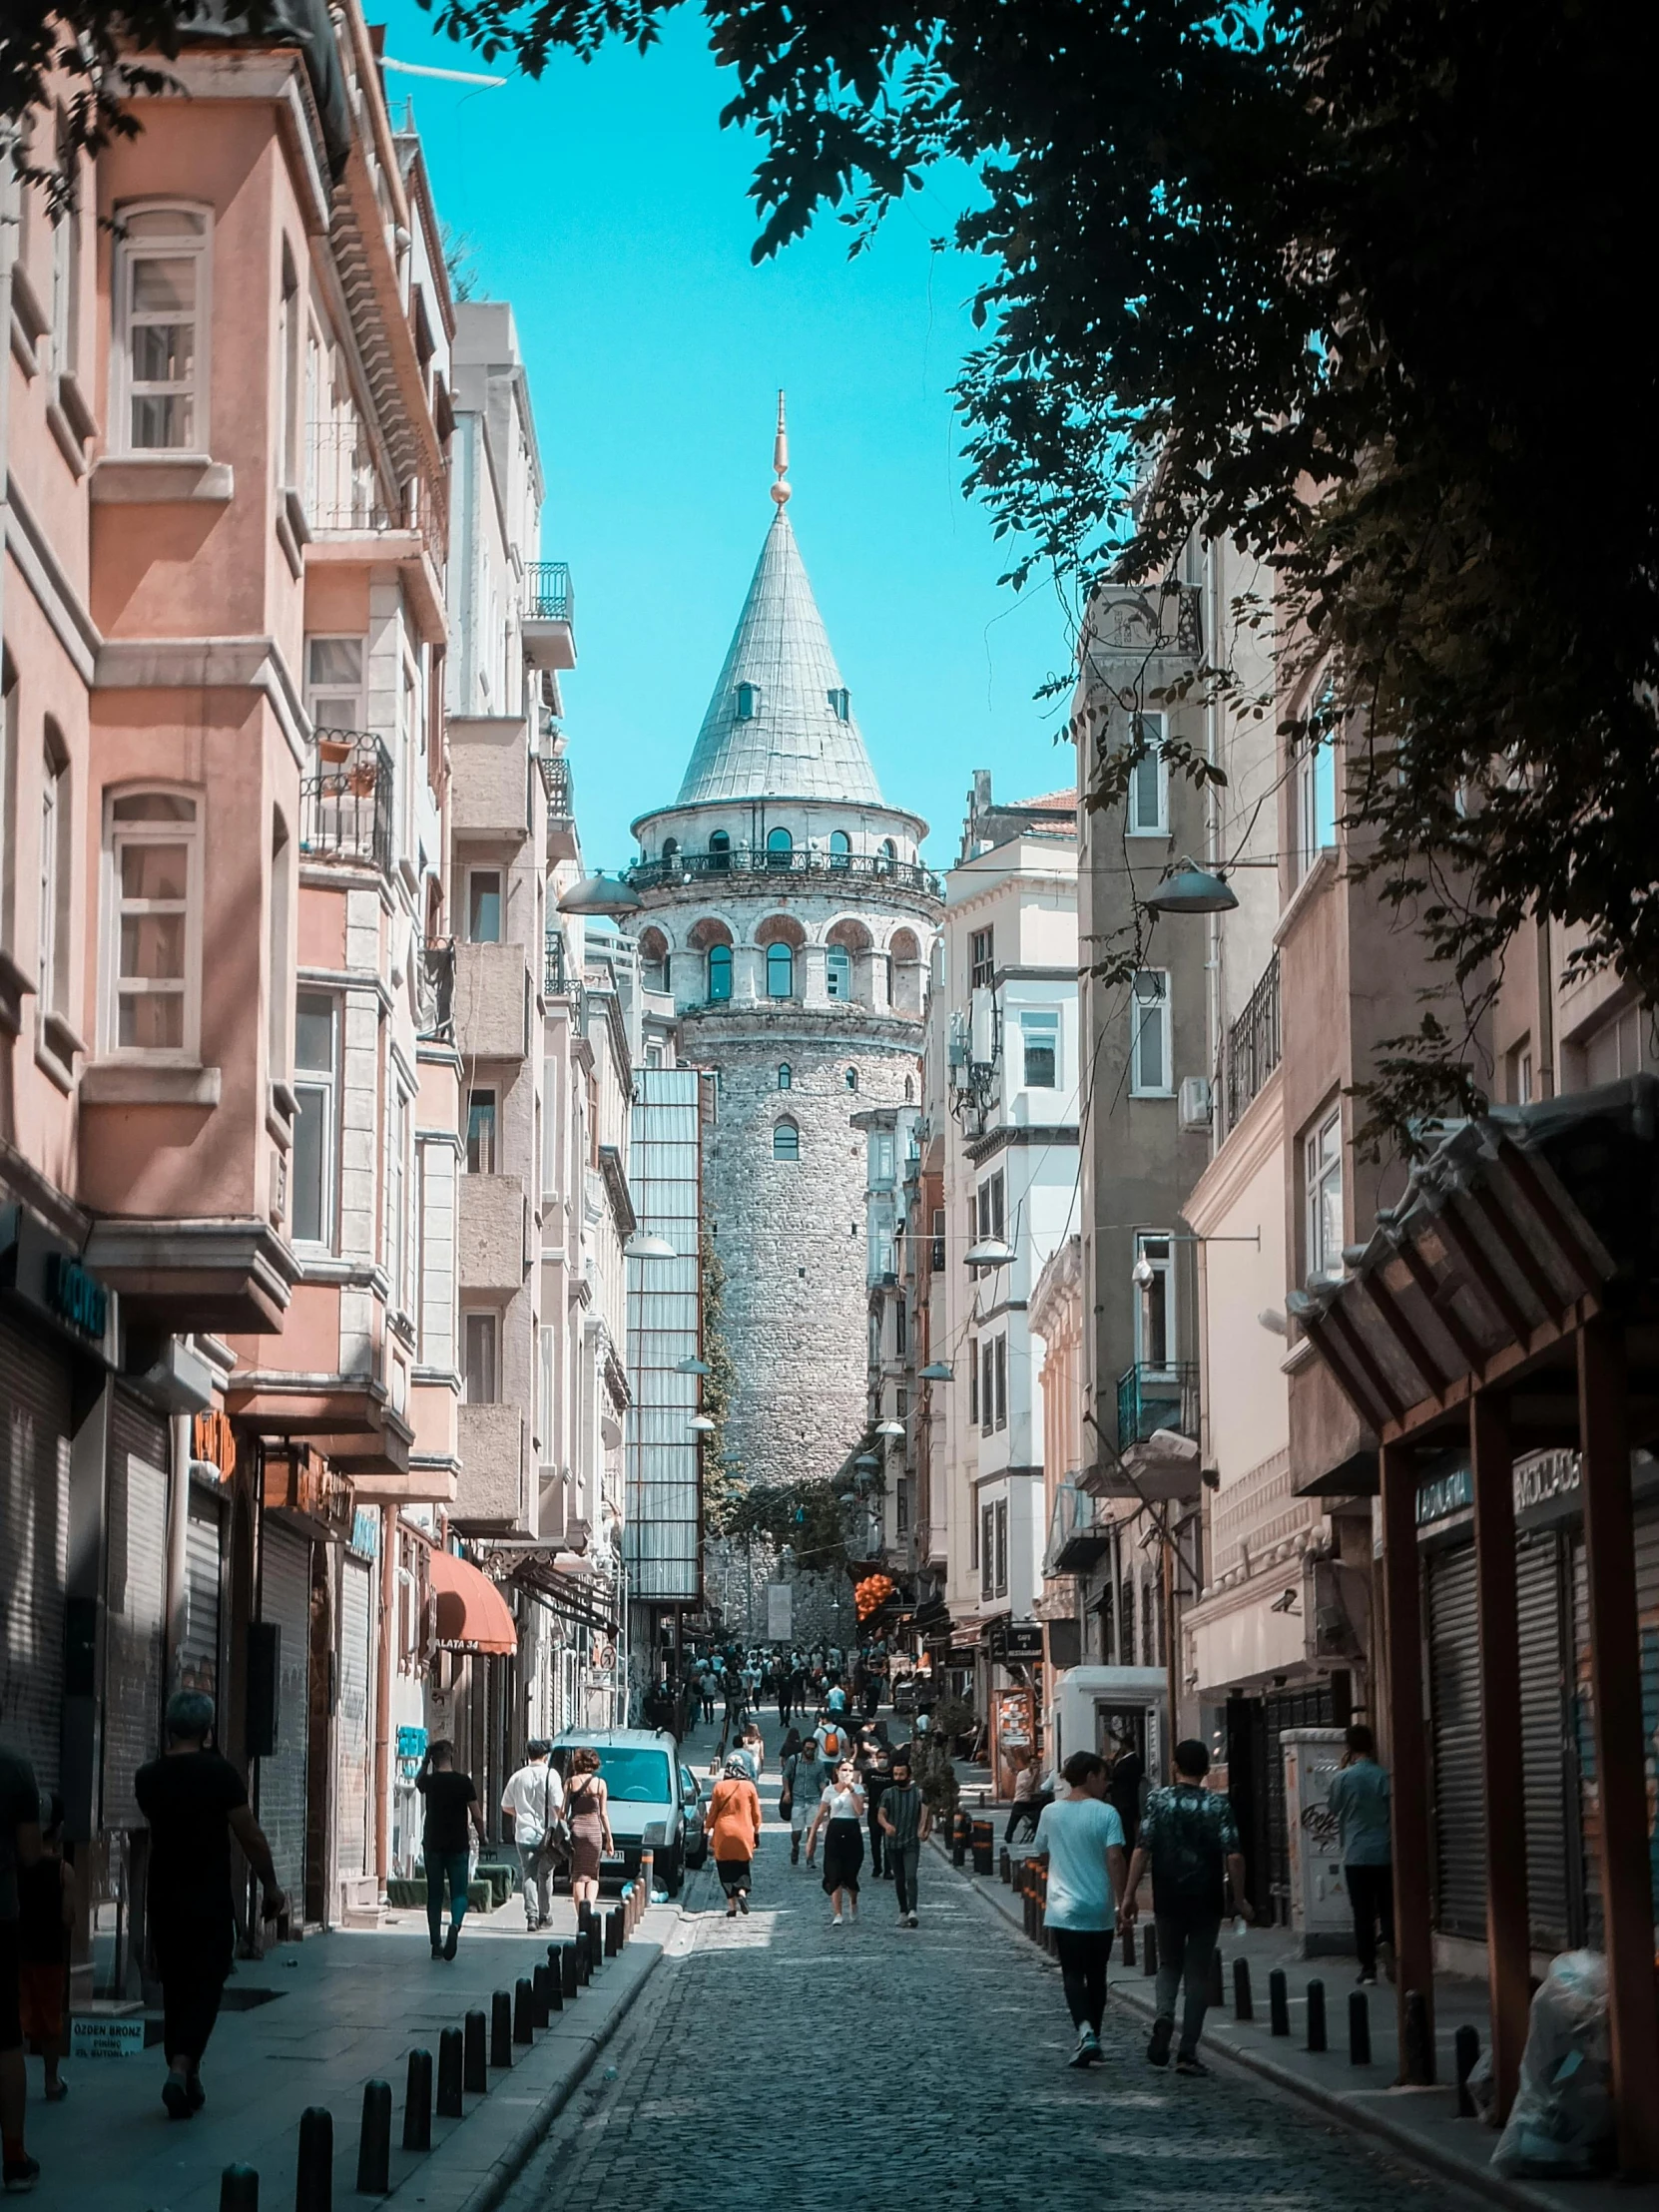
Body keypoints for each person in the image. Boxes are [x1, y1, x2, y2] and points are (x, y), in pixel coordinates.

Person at [135, 1692, 284, 2119]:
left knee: (178, 1986)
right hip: (209, 1897)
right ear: (208, 1731)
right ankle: (181, 2068)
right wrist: (271, 1884)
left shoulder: (148, 1778)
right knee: (207, 1982)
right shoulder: (220, 1775)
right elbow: (248, 1833)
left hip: (163, 1897)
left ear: (168, 1727)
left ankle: (188, 2074)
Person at [1121, 1739, 1252, 2076]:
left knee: (1168, 1964)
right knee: (1197, 1973)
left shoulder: (1157, 1801)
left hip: (1168, 1895)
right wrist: (1239, 1899)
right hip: (1206, 1898)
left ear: (1175, 1766)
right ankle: (1188, 2051)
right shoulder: (1217, 1805)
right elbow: (1234, 1855)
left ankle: (1164, 2014)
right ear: (1206, 1769)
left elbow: (1142, 1848)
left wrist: (1129, 1893)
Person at [1026, 1751, 1128, 2067]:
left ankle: (1085, 2033)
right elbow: (1114, 1858)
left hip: (1063, 1906)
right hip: (1098, 1905)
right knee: (1097, 1975)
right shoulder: (1107, 1814)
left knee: (1072, 1973)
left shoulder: (1051, 1812)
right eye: (1103, 1776)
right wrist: (1123, 1899)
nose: (1106, 1783)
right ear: (1090, 1777)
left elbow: (1039, 1850)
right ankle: (1092, 2035)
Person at [1, 1740, 45, 2191]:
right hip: (0, 1916)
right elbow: (31, 1853)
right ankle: (13, 2157)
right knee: (6, 2040)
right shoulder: (15, 1768)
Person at [1327, 1724, 1394, 1983]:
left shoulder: (1342, 1778)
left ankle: (1367, 1968)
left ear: (1349, 1748)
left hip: (1355, 1854)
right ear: (1372, 1746)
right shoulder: (1381, 1776)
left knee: (1362, 1913)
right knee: (1387, 1907)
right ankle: (1388, 1939)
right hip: (1383, 1851)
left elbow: (1333, 1808)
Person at [16, 1795, 71, 2108]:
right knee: (51, 2020)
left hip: (18, 1952)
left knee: (15, 2019)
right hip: (50, 1956)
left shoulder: (15, 1867)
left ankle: (14, 2080)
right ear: (59, 1829)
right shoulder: (64, 1872)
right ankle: (51, 2081)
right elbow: (67, 1919)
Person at [415, 1740, 484, 1960]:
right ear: (452, 1756)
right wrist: (483, 1836)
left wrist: (425, 1760)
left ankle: (436, 1944)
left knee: (434, 1895)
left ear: (433, 1760)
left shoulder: (430, 1782)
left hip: (433, 1844)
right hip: (458, 1844)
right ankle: (455, 1925)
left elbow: (418, 1781)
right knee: (459, 1892)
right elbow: (476, 1814)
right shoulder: (464, 1782)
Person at [500, 1740, 564, 1934]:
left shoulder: (518, 1777)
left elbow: (505, 1805)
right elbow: (558, 1806)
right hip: (548, 1835)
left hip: (524, 1834)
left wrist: (520, 1814)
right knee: (545, 1874)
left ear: (529, 1755)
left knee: (529, 1874)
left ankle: (532, 1916)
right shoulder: (552, 1775)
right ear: (545, 1756)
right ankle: (545, 1914)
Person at [806, 1757, 865, 1927]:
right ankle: (837, 1913)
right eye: (843, 1770)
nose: (846, 1773)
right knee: (834, 1874)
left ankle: (853, 1901)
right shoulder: (829, 1791)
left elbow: (859, 1810)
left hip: (852, 1832)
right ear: (837, 1771)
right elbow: (820, 1814)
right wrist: (811, 1838)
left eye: (849, 1770)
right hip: (834, 1832)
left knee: (851, 1874)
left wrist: (851, 1789)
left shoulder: (858, 1789)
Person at [877, 1751, 930, 1927]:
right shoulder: (888, 1793)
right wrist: (886, 1826)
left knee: (911, 1875)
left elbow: (926, 1812)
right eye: (896, 1774)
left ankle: (913, 1909)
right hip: (892, 1843)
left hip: (911, 1842)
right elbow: (881, 1814)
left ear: (908, 1775)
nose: (898, 1777)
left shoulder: (918, 1793)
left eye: (901, 1774)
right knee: (899, 1878)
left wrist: (924, 1829)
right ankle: (903, 1911)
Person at [706, 1755, 764, 1917]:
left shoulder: (719, 1787)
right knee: (742, 1866)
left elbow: (713, 1812)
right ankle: (742, 1892)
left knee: (724, 1868)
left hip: (723, 1832)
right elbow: (756, 1813)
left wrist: (706, 1829)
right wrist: (757, 1831)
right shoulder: (749, 1787)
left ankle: (731, 1907)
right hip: (744, 1832)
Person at [565, 1748, 614, 1913]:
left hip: (577, 1830)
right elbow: (603, 1814)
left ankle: (581, 1915)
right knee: (593, 1875)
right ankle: (590, 1909)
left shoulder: (571, 1782)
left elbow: (563, 1812)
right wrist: (609, 1839)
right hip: (594, 1831)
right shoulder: (600, 1784)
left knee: (578, 1876)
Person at [1107, 1730, 1147, 1855]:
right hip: (1126, 1800)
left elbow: (1115, 1776)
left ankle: (1127, 1852)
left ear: (1125, 1746)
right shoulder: (1130, 1761)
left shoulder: (1129, 1762)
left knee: (1126, 1830)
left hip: (1125, 1800)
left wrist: (1111, 1763)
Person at [783, 1735, 820, 1867]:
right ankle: (795, 1847)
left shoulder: (818, 1764)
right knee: (797, 1832)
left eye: (812, 1749)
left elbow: (821, 1781)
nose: (809, 1751)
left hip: (814, 1800)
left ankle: (810, 1858)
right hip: (797, 1799)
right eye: (807, 1748)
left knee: (812, 1831)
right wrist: (787, 1792)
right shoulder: (794, 1760)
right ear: (803, 1748)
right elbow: (786, 1776)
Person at [860, 1738, 892, 1879]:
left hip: (890, 1813)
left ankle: (888, 1870)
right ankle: (877, 1867)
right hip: (873, 1811)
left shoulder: (893, 1774)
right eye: (880, 1757)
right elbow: (864, 1789)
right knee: (875, 1842)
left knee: (888, 1843)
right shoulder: (870, 1773)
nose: (882, 1760)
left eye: (884, 1758)